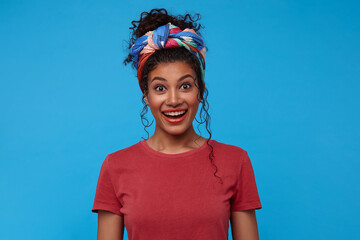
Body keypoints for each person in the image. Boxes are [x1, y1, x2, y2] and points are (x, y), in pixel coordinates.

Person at [92, 8, 262, 240]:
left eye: (185, 86)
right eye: (160, 88)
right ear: (146, 95)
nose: (173, 100)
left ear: (200, 91)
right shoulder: (115, 166)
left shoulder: (236, 161)